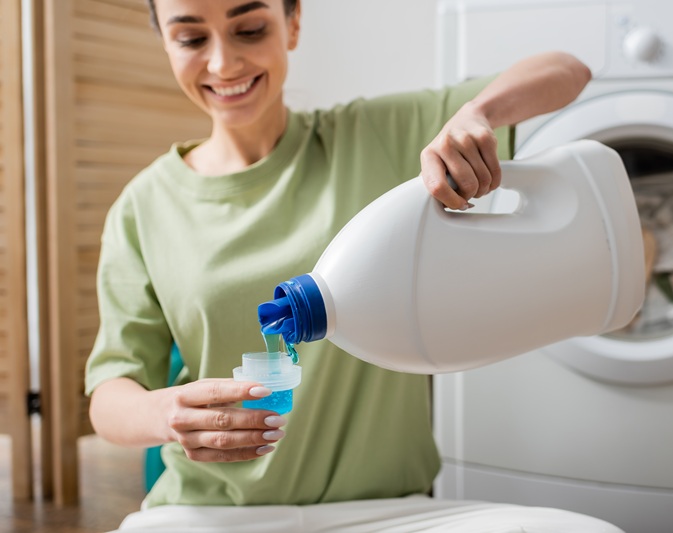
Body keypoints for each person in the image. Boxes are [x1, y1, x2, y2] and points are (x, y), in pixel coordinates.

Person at [85, 1, 622, 531]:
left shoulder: (376, 137)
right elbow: (111, 393)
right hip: (208, 513)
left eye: (249, 29)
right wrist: (166, 414)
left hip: (389, 511)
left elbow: (567, 71)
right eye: (192, 38)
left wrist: (477, 114)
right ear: (165, 43)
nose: (224, 64)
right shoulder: (144, 206)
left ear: (292, 24)